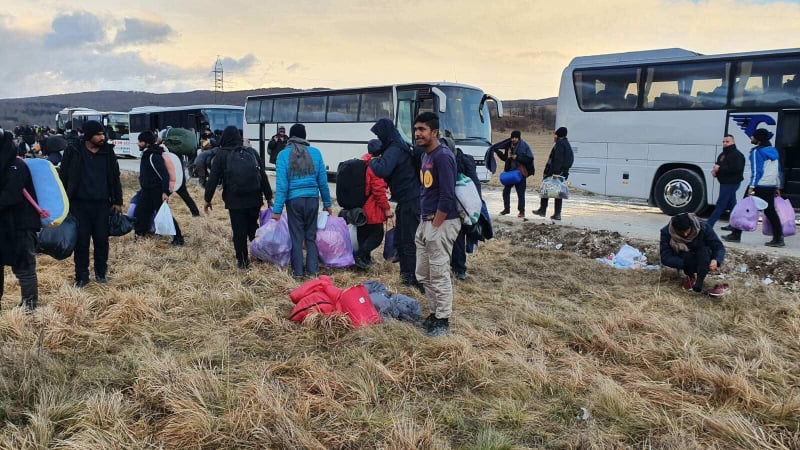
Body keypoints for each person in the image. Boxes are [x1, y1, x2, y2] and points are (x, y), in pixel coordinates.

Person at [413, 112, 461, 337]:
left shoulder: (443, 156)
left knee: (439, 274)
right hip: (425, 222)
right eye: (416, 129)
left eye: (422, 129)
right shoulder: (426, 155)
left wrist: (435, 225)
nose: (417, 133)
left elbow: (447, 195)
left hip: (441, 223)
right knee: (423, 274)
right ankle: (434, 313)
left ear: (434, 132)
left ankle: (443, 319)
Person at [59, 120, 123, 287]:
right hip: (79, 205)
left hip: (102, 204)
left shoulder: (108, 152)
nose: (102, 137)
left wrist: (117, 201)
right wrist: (63, 201)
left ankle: (101, 274)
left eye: (103, 134)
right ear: (88, 136)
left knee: (102, 240)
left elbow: (115, 177)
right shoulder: (74, 150)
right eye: (98, 134)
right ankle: (81, 277)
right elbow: (63, 176)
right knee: (81, 242)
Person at [205, 126, 274, 270]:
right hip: (254, 198)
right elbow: (262, 176)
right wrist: (268, 197)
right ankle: (259, 256)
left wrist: (208, 199)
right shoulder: (251, 152)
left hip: (234, 200)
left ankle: (243, 261)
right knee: (253, 228)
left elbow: (213, 179)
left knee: (239, 231)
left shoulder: (221, 155)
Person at [368, 118, 424, 292]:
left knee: (408, 242)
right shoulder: (398, 145)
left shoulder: (395, 149)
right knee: (402, 240)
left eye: (379, 135)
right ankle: (407, 277)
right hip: (408, 199)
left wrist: (373, 160)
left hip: (410, 200)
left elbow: (382, 169)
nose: (379, 138)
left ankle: (413, 279)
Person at [271, 124, 332, 278]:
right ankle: (313, 271)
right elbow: (323, 182)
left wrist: (277, 210)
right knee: (311, 237)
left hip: (294, 201)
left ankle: (297, 273)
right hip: (312, 200)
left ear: (290, 137)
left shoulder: (283, 155)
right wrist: (327, 204)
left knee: (296, 238)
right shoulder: (315, 153)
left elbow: (282, 186)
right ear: (305, 136)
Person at [723, 128, 785, 247]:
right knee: (770, 211)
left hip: (759, 185)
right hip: (770, 185)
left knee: (743, 208)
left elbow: (757, 171)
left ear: (759, 139)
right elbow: (777, 170)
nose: (751, 138)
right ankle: (778, 238)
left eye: (753, 136)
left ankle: (736, 234)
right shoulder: (773, 151)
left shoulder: (757, 152)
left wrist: (751, 186)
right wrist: (777, 186)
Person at [0, 129, 40, 310]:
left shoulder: (17, 166)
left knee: (24, 267)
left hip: (21, 225)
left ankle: (29, 307)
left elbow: (10, 196)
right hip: (3, 224)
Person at [134, 131, 185, 246]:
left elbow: (164, 175)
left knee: (164, 214)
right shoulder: (148, 154)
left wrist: (165, 192)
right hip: (146, 190)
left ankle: (178, 238)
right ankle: (140, 234)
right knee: (140, 212)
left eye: (140, 141)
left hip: (156, 191)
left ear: (147, 143)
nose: (138, 143)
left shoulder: (154, 156)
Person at [660, 213, 727, 296]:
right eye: (681, 232)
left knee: (704, 251)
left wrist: (716, 260)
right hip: (683, 258)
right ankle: (691, 278)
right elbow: (665, 257)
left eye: (687, 231)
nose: (685, 235)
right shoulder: (666, 232)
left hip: (703, 257)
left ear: (691, 225)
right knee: (686, 255)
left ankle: (699, 281)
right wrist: (685, 263)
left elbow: (718, 247)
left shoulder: (704, 227)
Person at [445, 136, 482, 281]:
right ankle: (457, 269)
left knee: (458, 238)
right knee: (456, 238)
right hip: (457, 205)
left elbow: (474, 184)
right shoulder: (458, 158)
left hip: (460, 206)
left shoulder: (460, 161)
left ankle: (459, 269)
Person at [355, 140, 392, 270]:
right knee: (377, 236)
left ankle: (364, 262)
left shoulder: (363, 162)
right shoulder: (376, 166)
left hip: (360, 207)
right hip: (372, 208)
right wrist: (387, 208)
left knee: (364, 235)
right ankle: (360, 257)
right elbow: (378, 191)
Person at [533, 127, 574, 221]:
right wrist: (564, 170)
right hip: (563, 172)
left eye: (555, 134)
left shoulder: (559, 144)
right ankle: (557, 214)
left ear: (558, 135)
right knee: (559, 193)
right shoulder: (567, 144)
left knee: (545, 188)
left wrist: (556, 172)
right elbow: (570, 159)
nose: (554, 136)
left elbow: (558, 159)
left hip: (555, 172)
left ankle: (542, 210)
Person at [158, 129, 200, 217]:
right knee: (185, 195)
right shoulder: (177, 150)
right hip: (180, 177)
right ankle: (195, 212)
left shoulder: (167, 149)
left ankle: (163, 214)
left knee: (164, 196)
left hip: (171, 178)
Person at [707, 135, 745, 230]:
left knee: (721, 204)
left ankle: (709, 224)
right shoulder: (722, 155)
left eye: (727, 141)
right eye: (723, 141)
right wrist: (715, 172)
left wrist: (719, 169)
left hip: (732, 183)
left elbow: (736, 169)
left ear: (733, 142)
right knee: (732, 204)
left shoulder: (737, 155)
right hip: (724, 183)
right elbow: (718, 165)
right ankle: (734, 225)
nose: (725, 143)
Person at [493, 130, 533, 218]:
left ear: (519, 138)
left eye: (516, 138)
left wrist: (517, 157)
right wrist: (496, 151)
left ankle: (521, 212)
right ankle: (506, 209)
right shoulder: (508, 146)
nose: (514, 139)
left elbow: (530, 159)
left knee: (520, 193)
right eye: (512, 137)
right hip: (510, 173)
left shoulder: (524, 146)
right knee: (505, 191)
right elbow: (505, 158)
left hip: (520, 173)